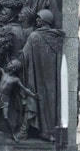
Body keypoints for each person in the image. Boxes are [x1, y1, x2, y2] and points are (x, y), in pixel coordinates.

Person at [19, 8, 65, 141]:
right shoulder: (57, 37)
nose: (37, 20)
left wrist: (15, 63)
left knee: (41, 102)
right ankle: (50, 131)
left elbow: (24, 55)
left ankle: (45, 131)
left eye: (39, 18)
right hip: (53, 78)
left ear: (44, 20)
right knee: (51, 103)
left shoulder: (34, 36)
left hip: (38, 76)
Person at [0, 58, 38, 139]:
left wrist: (33, 95)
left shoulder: (16, 79)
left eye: (10, 63)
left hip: (4, 99)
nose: (8, 63)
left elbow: (25, 89)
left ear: (14, 68)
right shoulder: (3, 72)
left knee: (5, 117)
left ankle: (12, 134)